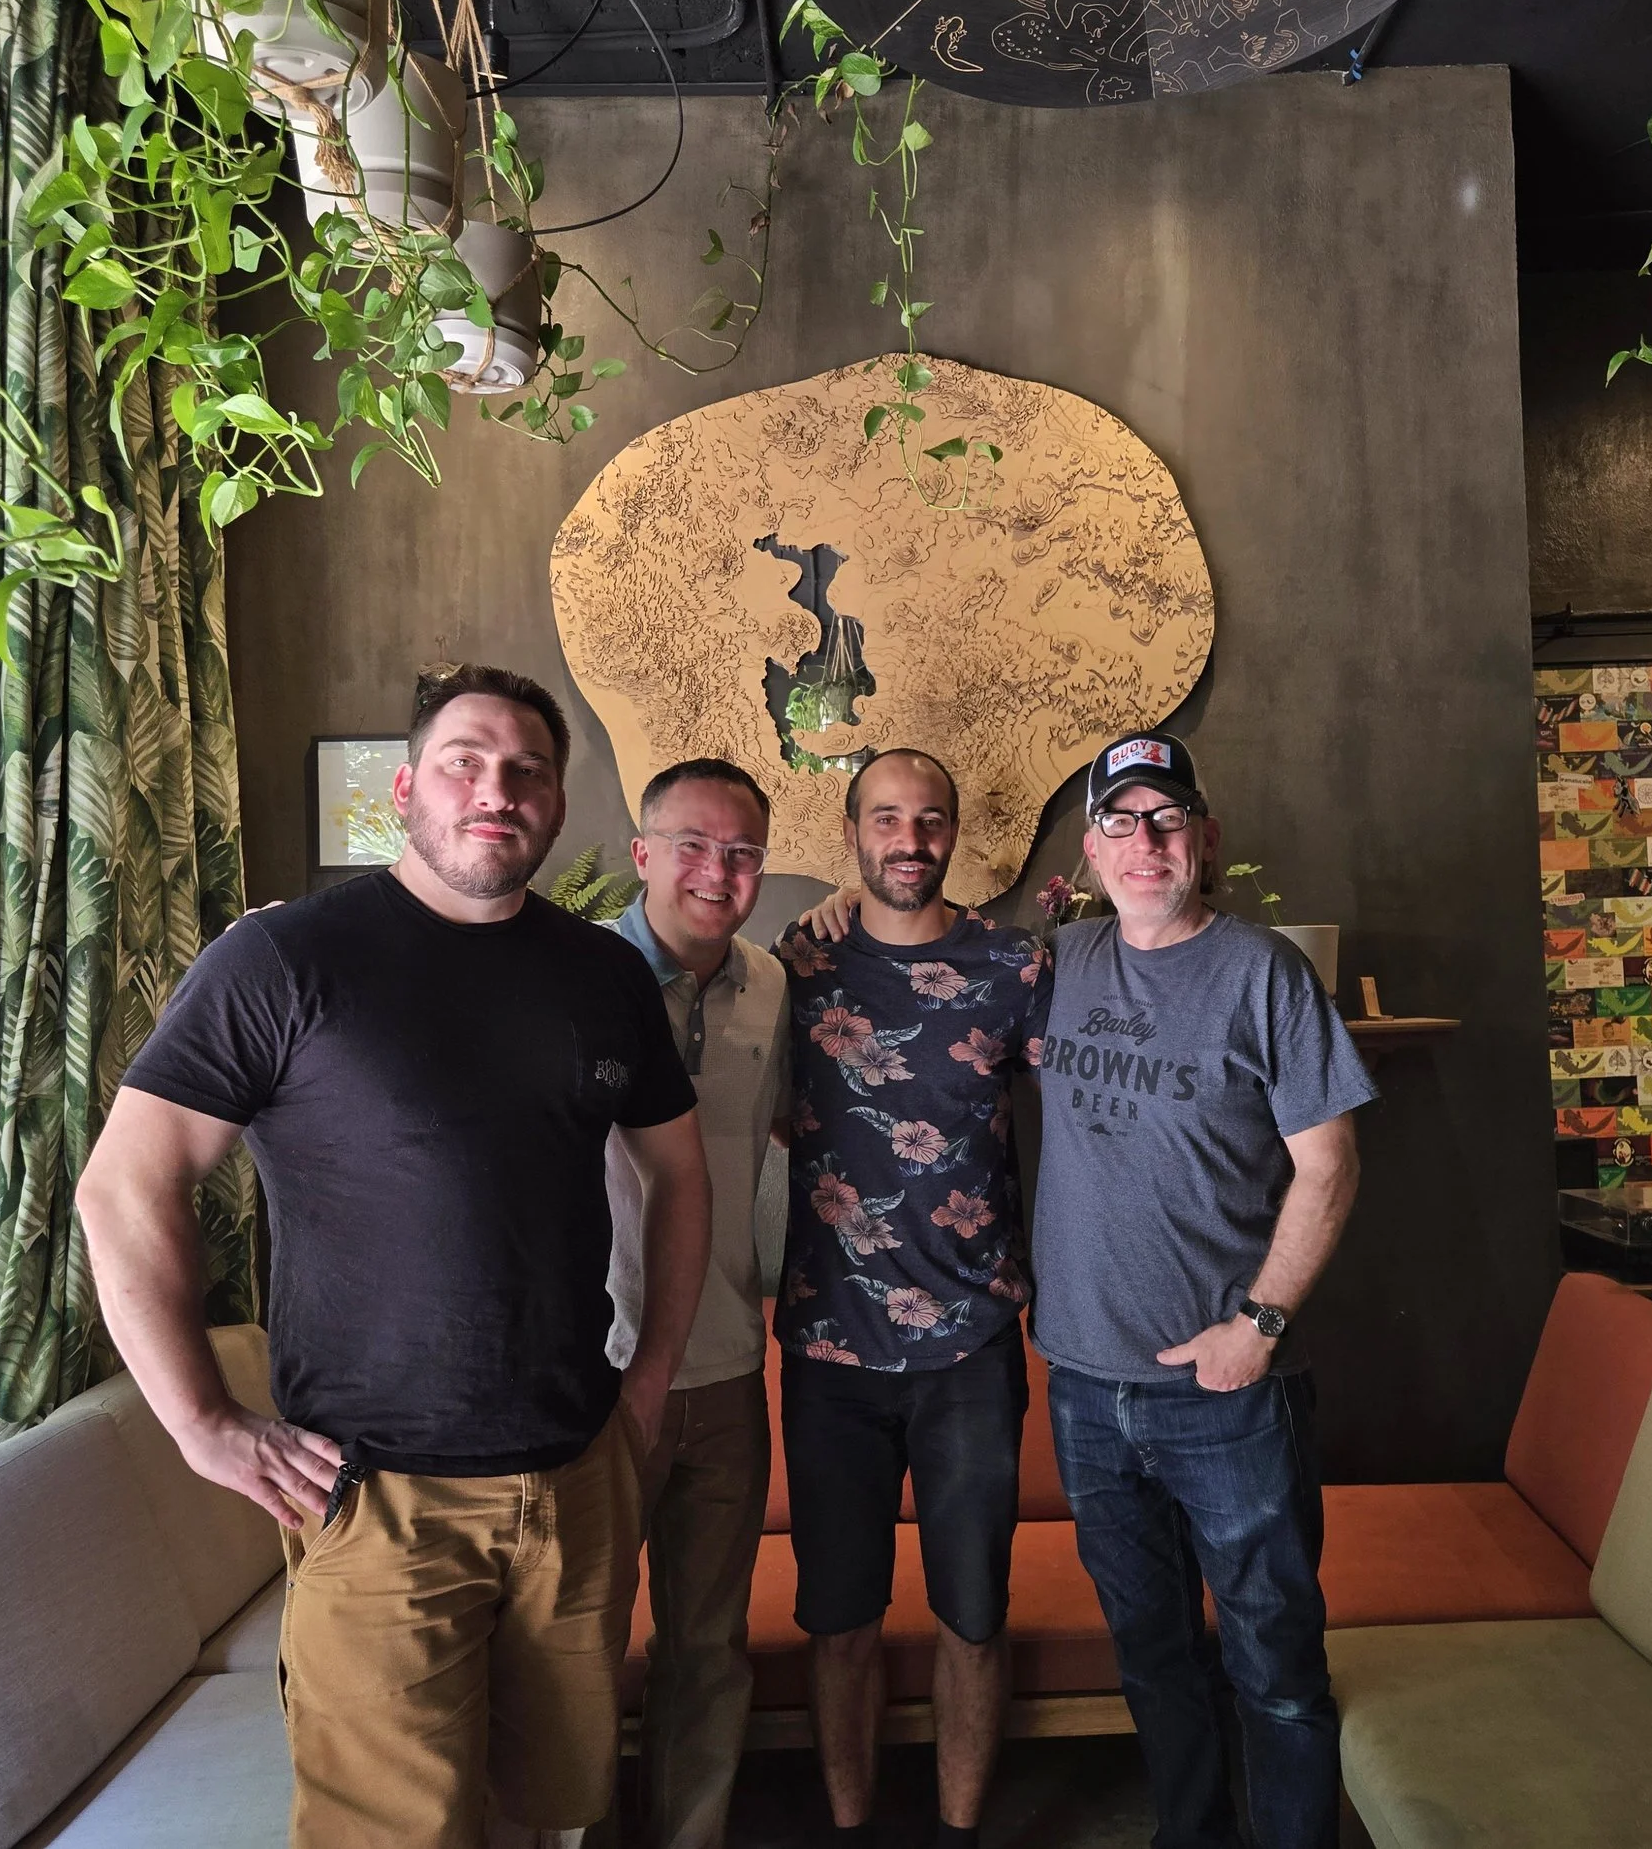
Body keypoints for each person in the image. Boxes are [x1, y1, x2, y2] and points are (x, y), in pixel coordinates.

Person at [76, 664, 712, 1849]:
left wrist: (652, 1377)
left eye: (527, 770)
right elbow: (124, 1184)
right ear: (408, 789)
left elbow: (678, 1175)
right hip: (375, 1499)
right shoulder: (283, 961)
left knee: (554, 1815)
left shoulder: (604, 976)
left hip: (575, 1480)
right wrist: (199, 1422)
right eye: (466, 762)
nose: (496, 788)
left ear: (555, 805)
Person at [1032, 731, 1373, 1849]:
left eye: (1167, 818)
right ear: (1090, 851)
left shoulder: (1262, 972)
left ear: (1205, 839)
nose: (1146, 841)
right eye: (1120, 822)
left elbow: (1330, 1165)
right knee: (1153, 1656)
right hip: (1085, 1388)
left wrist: (1257, 1327)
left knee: (1276, 1669)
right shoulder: (1059, 963)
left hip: (1228, 1394)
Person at [771, 748, 1050, 1849]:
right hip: (827, 1350)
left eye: (929, 819)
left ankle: (957, 1833)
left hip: (972, 1347)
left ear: (954, 833)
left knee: (973, 1615)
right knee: (838, 1618)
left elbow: (1094, 1103)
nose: (909, 839)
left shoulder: (1013, 966)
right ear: (850, 833)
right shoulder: (799, 966)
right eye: (886, 818)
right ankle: (850, 1829)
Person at [598, 758, 791, 1849]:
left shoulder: (773, 987)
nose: (718, 872)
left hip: (725, 1367)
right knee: (577, 1645)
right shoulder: (572, 975)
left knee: (708, 1650)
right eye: (692, 846)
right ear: (642, 853)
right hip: (594, 1373)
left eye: (743, 852)